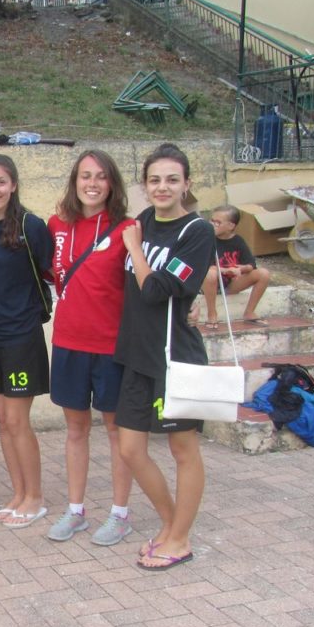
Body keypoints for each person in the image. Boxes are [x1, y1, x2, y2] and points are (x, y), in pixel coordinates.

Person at [115, 143, 215, 571]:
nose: (162, 187)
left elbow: (154, 291)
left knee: (183, 448)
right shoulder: (142, 222)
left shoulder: (197, 231)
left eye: (172, 179)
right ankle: (172, 526)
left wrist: (135, 249)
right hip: (139, 354)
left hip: (177, 358)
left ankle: (179, 538)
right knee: (130, 448)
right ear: (145, 184)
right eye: (154, 179)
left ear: (186, 184)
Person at [46, 150, 135, 546]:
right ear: (75, 181)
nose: (92, 183)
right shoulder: (56, 225)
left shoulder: (127, 228)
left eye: (100, 176)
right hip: (68, 342)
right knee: (76, 429)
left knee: (117, 431)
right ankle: (76, 511)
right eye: (85, 176)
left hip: (111, 346)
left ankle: (119, 515)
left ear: (111, 183)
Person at [0, 154, 53, 529]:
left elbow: (52, 270)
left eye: (1, 182)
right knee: (3, 421)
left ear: (13, 185)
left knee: (18, 421)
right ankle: (18, 494)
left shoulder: (32, 225)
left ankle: (36, 498)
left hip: (21, 337)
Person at [199, 204, 271, 329]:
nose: (212, 225)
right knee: (210, 273)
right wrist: (225, 270)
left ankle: (249, 312)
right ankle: (212, 314)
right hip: (209, 284)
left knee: (263, 273)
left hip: (231, 284)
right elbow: (202, 266)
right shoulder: (206, 239)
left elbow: (251, 265)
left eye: (218, 222)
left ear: (231, 226)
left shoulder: (238, 241)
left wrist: (240, 270)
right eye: (212, 221)